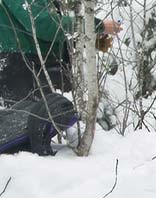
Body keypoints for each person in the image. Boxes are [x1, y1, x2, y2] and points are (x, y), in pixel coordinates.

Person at [0, 0, 121, 155]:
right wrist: (94, 25)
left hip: (31, 64)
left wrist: (90, 38)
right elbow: (41, 25)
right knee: (23, 138)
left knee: (33, 135)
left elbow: (47, 31)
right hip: (21, 66)